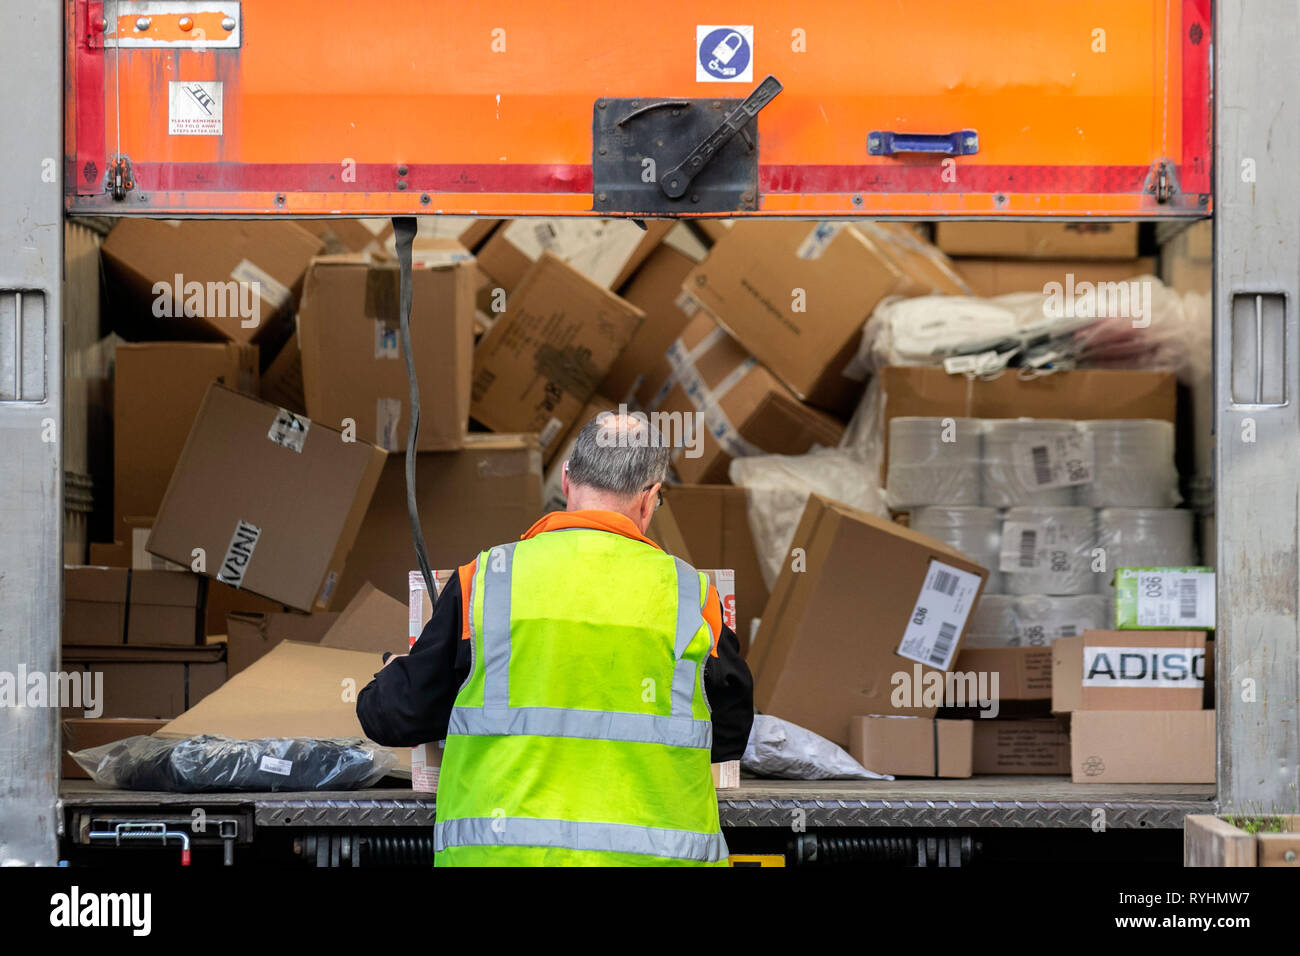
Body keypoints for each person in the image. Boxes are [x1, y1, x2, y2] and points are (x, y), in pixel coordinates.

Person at [357, 411, 755, 866]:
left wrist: (392, 677)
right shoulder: (694, 599)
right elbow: (728, 735)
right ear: (650, 499)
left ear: (566, 480)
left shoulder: (487, 582)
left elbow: (393, 718)